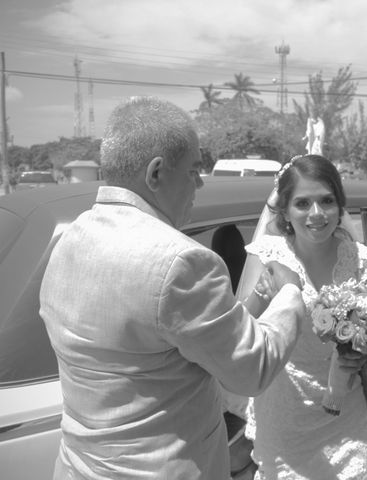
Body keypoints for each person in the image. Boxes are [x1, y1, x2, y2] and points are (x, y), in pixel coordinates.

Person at [39, 96, 305, 480]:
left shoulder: (69, 239)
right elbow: (251, 369)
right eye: (194, 170)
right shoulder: (181, 261)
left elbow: (168, 345)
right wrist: (290, 294)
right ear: (156, 173)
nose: (199, 183)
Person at [239, 154, 367, 479]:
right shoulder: (269, 256)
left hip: (344, 411)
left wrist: (362, 348)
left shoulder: (362, 261)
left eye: (326, 201)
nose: (316, 214)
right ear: (286, 211)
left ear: (339, 205)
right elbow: (240, 331)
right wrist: (262, 295)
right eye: (303, 203)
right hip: (284, 415)